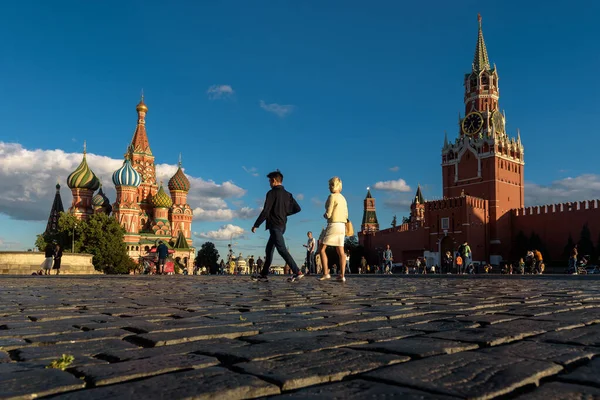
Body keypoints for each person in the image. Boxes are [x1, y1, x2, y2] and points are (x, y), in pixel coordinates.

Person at [251, 170, 303, 282]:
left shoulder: (271, 193)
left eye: (270, 181)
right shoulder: (288, 195)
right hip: (282, 225)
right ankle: (263, 275)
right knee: (269, 250)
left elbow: (266, 211)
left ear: (274, 180)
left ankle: (297, 271)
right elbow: (297, 208)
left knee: (281, 249)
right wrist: (284, 212)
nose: (269, 183)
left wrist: (256, 225)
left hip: (274, 225)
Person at [318, 176, 349, 282]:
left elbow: (329, 213)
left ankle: (326, 272)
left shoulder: (332, 196)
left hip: (333, 224)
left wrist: (325, 215)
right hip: (342, 226)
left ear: (333, 185)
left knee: (321, 249)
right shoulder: (343, 198)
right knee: (341, 251)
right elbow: (346, 214)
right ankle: (342, 275)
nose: (329, 187)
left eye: (330, 185)